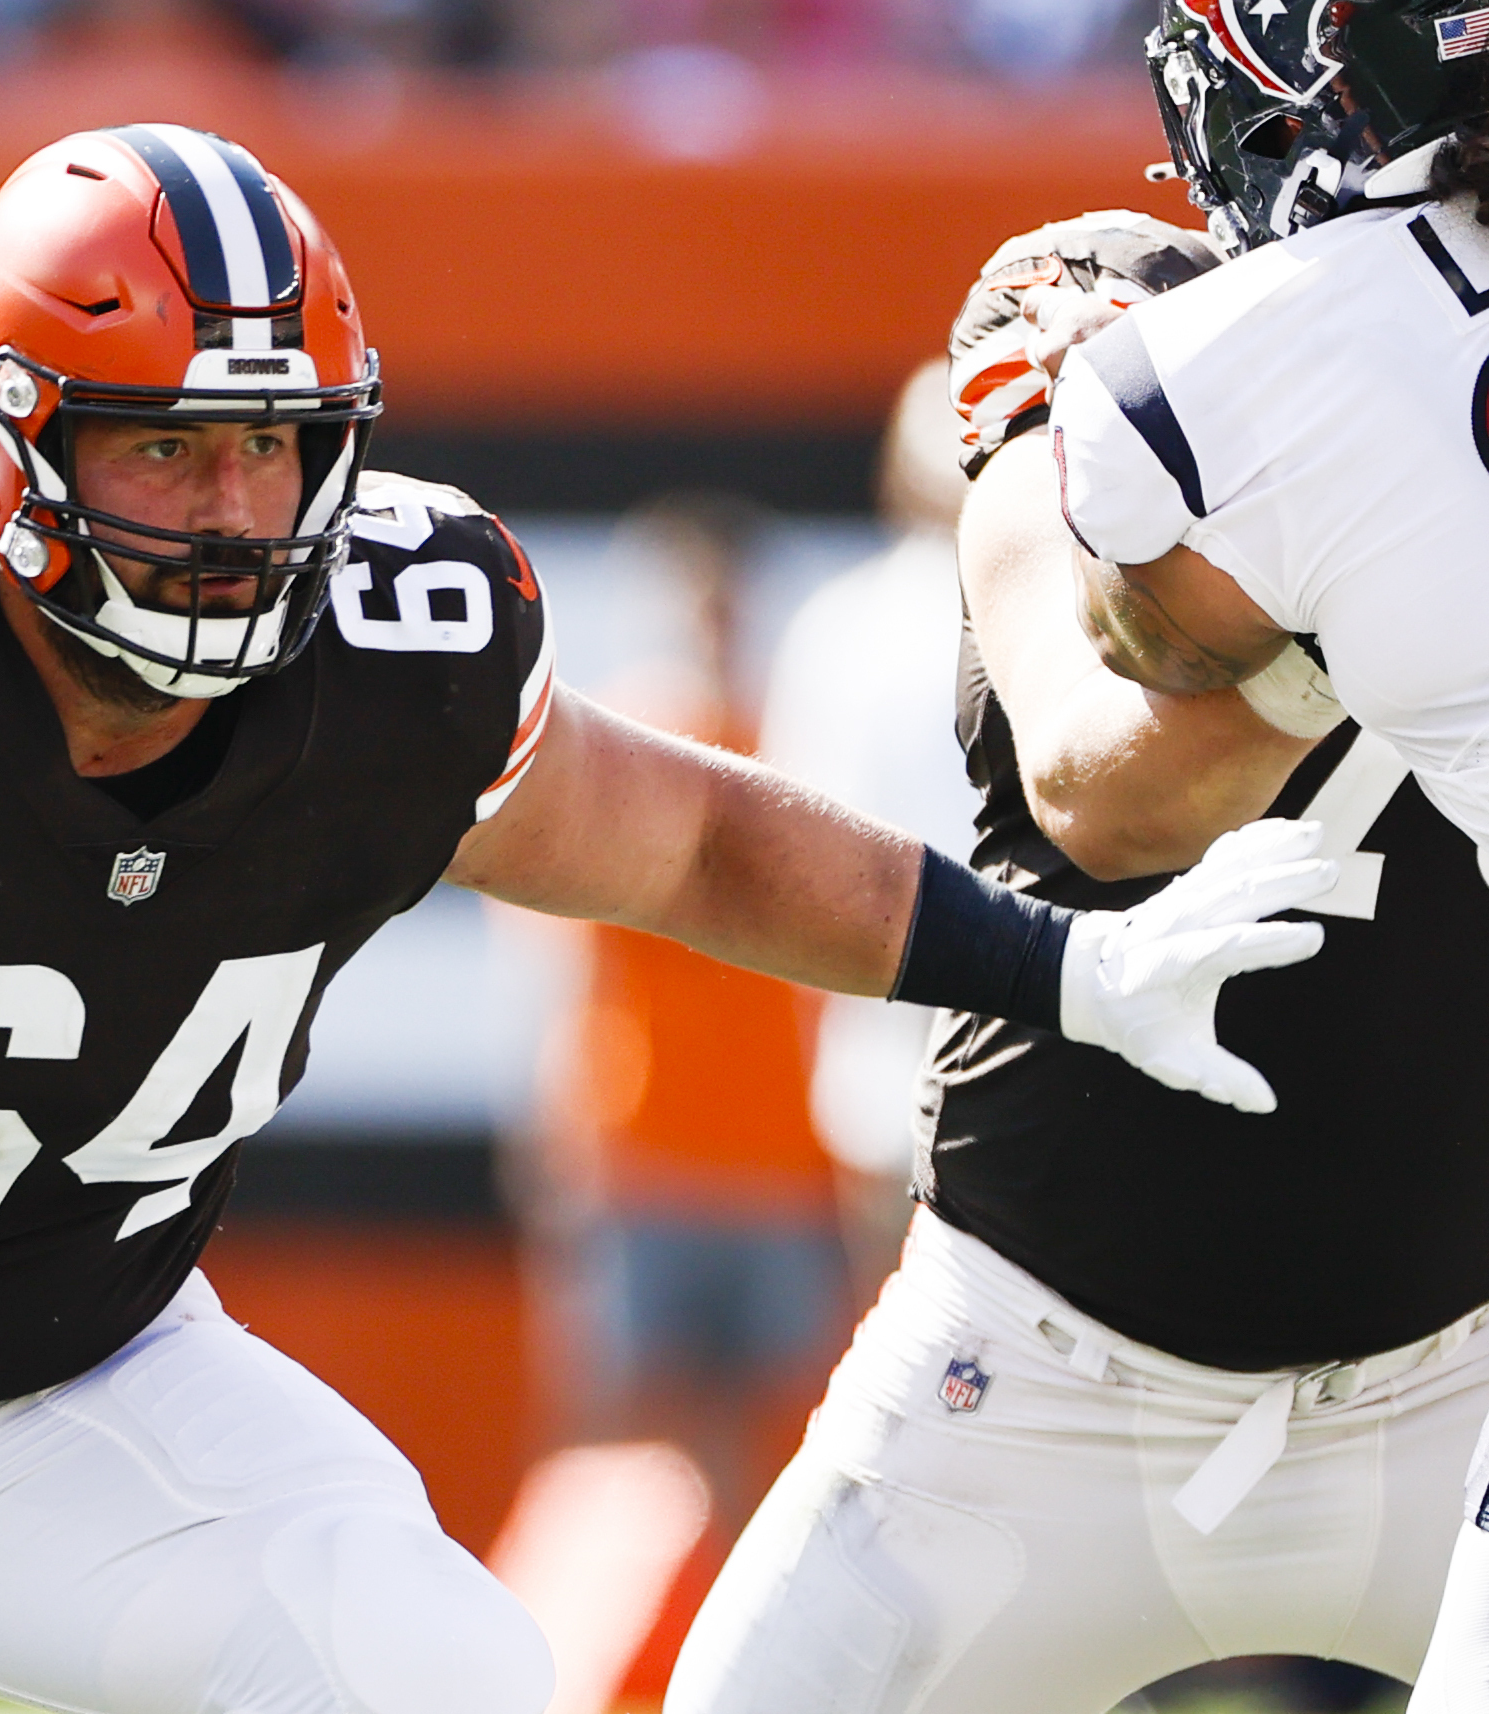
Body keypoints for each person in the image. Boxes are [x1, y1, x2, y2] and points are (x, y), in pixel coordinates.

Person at [0, 123, 1328, 1714]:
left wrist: (1057, 964)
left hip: (84, 1380)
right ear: (4, 441)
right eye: (166, 454)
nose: (236, 516)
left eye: (275, 448)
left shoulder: (400, 644)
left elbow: (685, 845)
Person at [661, 5, 1489, 1705]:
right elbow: (1099, 782)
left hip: (1458, 1372)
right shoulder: (1112, 305)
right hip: (1037, 1375)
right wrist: (1375, 561)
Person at [525, 494, 847, 1525]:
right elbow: (559, 974)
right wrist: (557, 1141)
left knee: (771, 1432)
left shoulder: (799, 754)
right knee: (616, 1423)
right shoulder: (604, 752)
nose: (712, 623)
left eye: (725, 601)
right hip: (641, 1149)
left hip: (782, 1160)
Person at [757, 359, 977, 1304]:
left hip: (894, 1040)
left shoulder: (836, 622)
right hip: (994, 1037)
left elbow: (793, 845)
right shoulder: (848, 624)